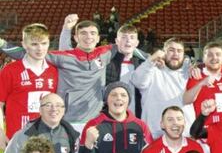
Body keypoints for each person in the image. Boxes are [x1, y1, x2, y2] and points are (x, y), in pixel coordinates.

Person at [0, 14, 147, 134]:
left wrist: (153, 57)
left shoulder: (106, 52)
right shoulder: (63, 57)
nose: (88, 37)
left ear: (98, 38)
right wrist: (2, 44)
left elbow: (128, 46)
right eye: (83, 33)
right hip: (67, 122)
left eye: (92, 34)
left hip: (95, 122)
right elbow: (29, 53)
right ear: (76, 38)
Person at [79, 82, 152, 153]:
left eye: (123, 95)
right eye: (113, 95)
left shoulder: (140, 126)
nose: (119, 98)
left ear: (128, 100)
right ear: (106, 100)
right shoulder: (94, 124)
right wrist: (88, 145)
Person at [0, 23, 58, 147]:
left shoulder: (54, 71)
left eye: (44, 43)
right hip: (18, 138)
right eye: (34, 44)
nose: (40, 48)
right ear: (24, 45)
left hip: (47, 137)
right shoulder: (10, 70)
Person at [131, 38, 195, 138]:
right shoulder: (152, 70)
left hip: (184, 135)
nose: (175, 54)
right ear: (163, 52)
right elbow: (137, 81)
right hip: (154, 135)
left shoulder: (190, 72)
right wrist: (151, 60)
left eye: (179, 51)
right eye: (171, 50)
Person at [183, 42, 222, 125]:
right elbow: (186, 100)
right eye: (209, 55)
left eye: (218, 54)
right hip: (204, 133)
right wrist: (201, 83)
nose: (214, 58)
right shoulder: (196, 75)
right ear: (203, 58)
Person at [105, 25, 144, 118]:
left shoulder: (143, 65)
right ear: (117, 41)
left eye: (132, 37)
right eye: (124, 37)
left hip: (136, 117)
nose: (128, 40)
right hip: (111, 118)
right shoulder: (106, 63)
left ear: (137, 43)